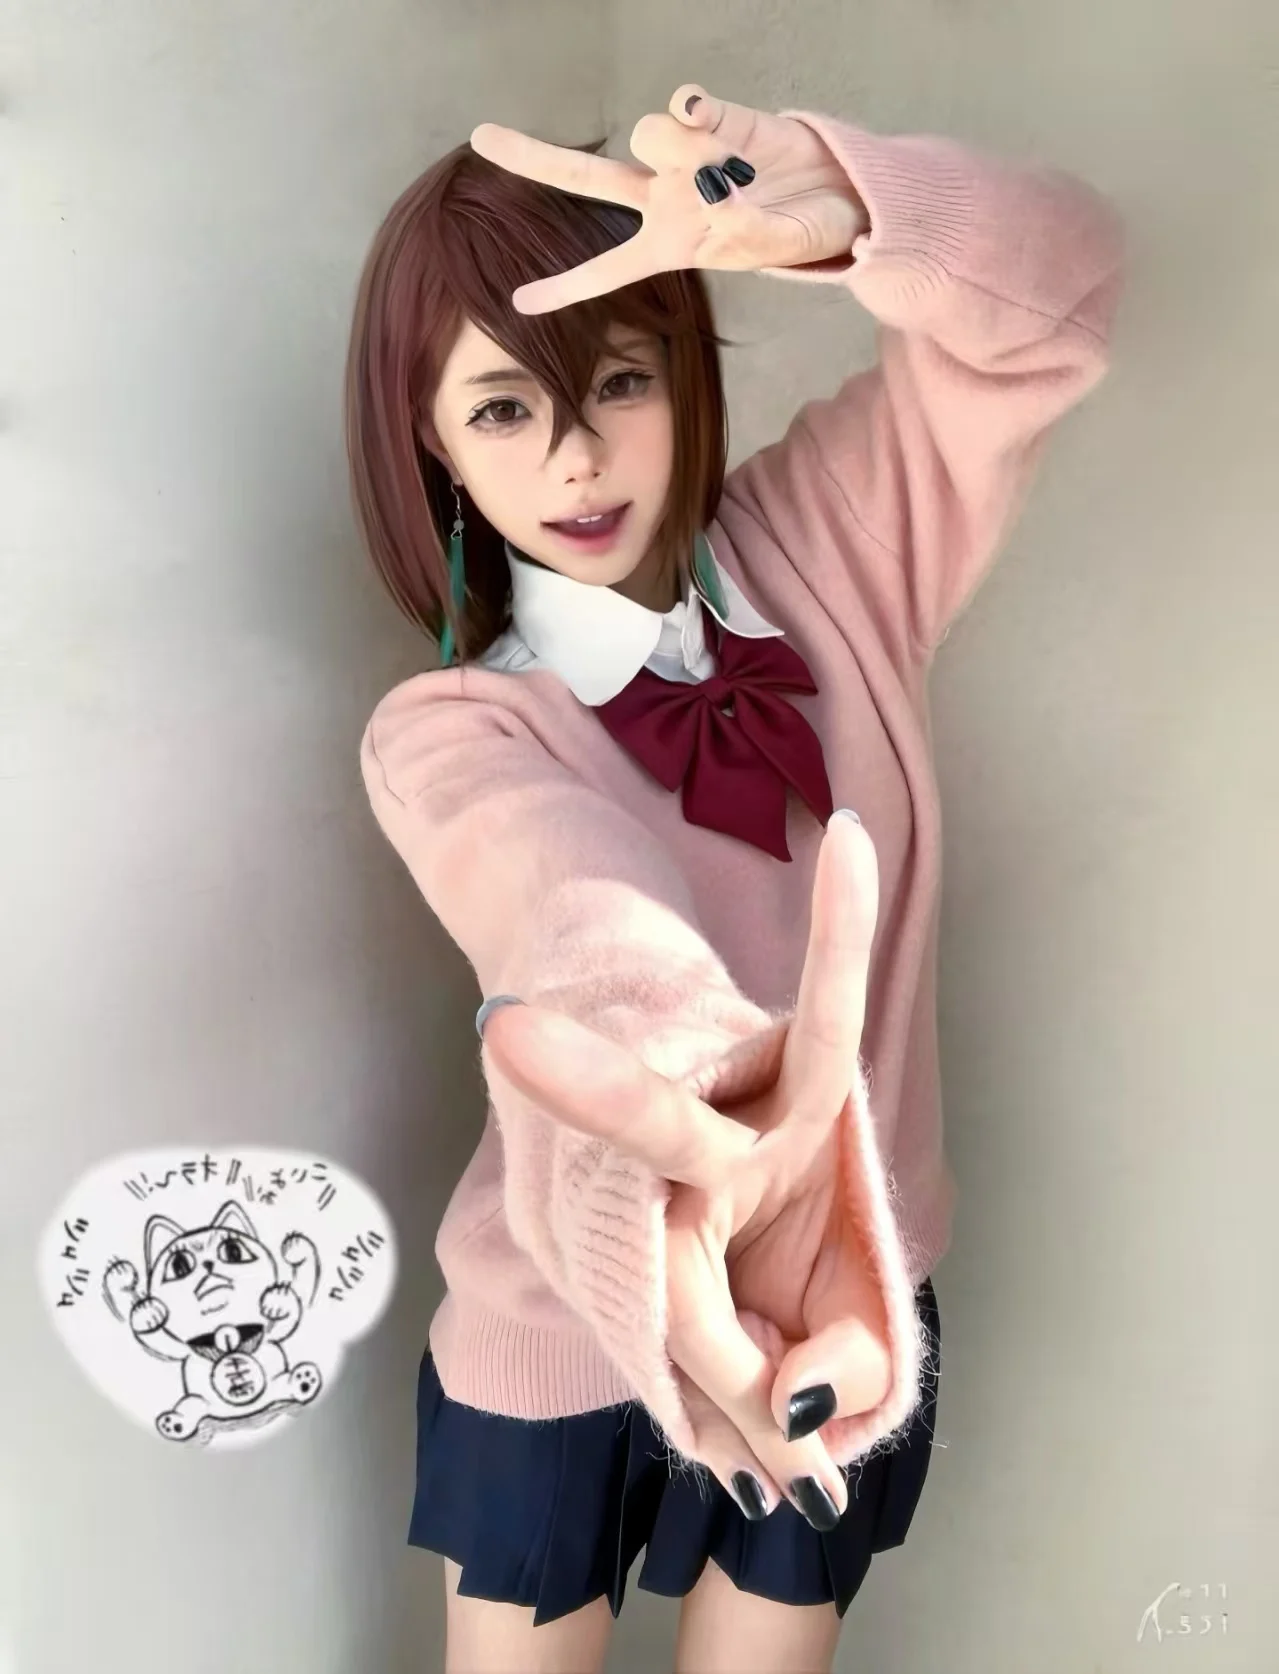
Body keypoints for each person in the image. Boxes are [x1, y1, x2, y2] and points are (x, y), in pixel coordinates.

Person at [345, 82, 1123, 1674]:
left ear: (685, 368)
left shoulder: (828, 546)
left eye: (618, 380)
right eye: (501, 409)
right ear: (431, 445)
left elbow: (1063, 287)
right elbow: (572, 905)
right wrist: (694, 1093)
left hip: (834, 1286)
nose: (575, 455)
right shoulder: (451, 730)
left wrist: (850, 204)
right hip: (561, 1318)